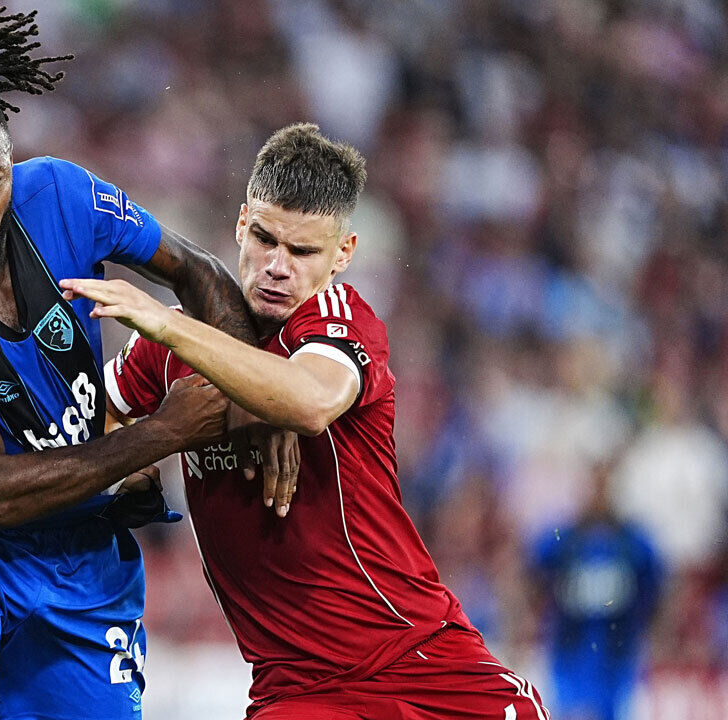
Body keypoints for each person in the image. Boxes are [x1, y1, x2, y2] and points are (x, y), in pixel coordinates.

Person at [0, 8, 267, 720]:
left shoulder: (64, 195)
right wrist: (161, 434)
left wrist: (260, 407)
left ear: (11, 168)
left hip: (81, 546)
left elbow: (203, 277)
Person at [63, 122, 552, 719]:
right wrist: (138, 464)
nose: (276, 266)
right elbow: (93, 422)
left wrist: (170, 327)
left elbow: (310, 399)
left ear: (342, 254)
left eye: (302, 251)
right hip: (296, 689)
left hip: (418, 658)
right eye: (265, 239)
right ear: (241, 223)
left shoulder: (340, 320)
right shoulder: (167, 350)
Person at [530, 463, 661, 720]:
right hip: (570, 651)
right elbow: (533, 571)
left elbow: (655, 584)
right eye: (594, 487)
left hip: (617, 653)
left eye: (605, 486)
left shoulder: (632, 542)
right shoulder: (565, 539)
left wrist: (650, 626)